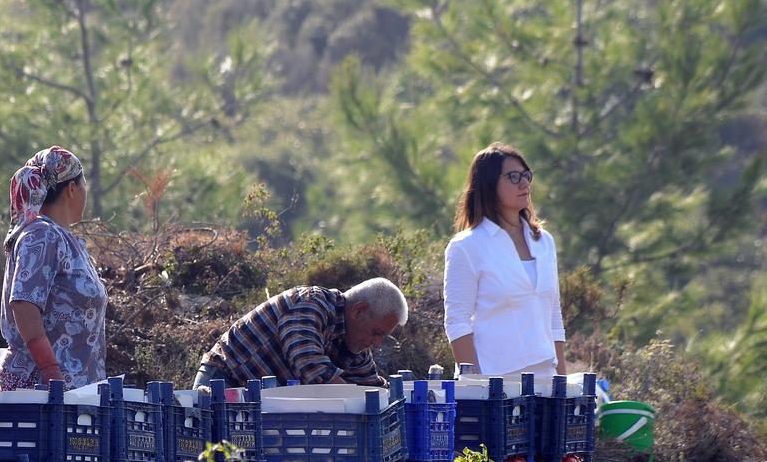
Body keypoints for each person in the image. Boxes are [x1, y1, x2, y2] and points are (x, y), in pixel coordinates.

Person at [443, 142, 566, 379]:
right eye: (512, 177)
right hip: (495, 383)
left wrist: (562, 382)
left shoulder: (545, 242)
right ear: (489, 185)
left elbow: (554, 317)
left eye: (526, 175)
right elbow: (457, 323)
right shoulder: (466, 247)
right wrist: (475, 386)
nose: (524, 183)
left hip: (546, 380)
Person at [0, 146, 108, 390]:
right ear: (72, 188)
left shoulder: (63, 239)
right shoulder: (42, 235)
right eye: (84, 184)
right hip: (42, 390)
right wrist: (50, 370)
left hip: (75, 391)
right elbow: (24, 304)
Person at [192, 279, 408, 389]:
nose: (377, 343)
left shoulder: (355, 346)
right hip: (225, 382)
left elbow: (372, 388)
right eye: (376, 333)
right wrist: (356, 397)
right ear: (359, 310)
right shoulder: (312, 303)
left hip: (258, 403)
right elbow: (309, 363)